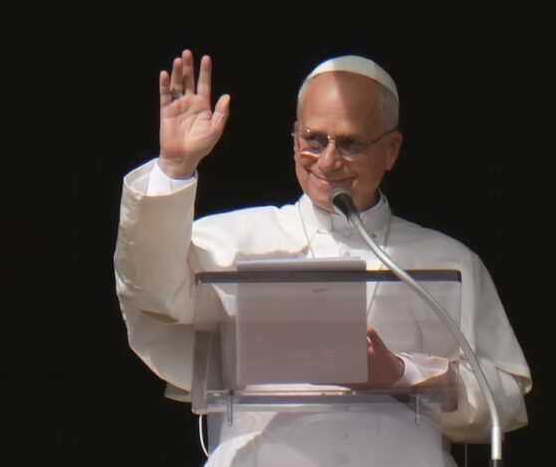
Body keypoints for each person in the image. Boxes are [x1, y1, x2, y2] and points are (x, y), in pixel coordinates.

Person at [114, 49, 532, 467]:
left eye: (350, 143)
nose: (329, 161)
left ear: (392, 149)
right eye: (313, 140)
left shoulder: (448, 260)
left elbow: (505, 402)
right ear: (294, 136)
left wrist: (401, 375)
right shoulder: (229, 239)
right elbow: (153, 295)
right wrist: (175, 168)